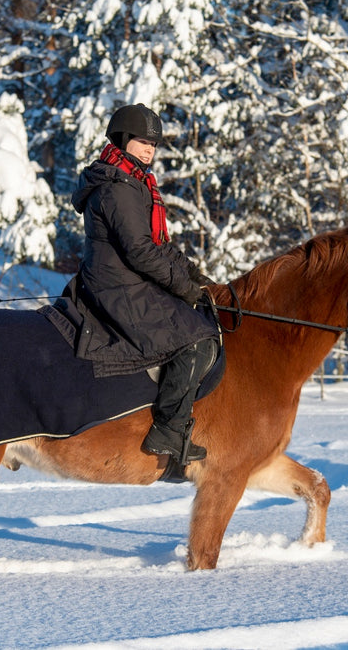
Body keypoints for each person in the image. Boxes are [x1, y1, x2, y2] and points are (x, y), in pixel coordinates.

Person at [69, 103, 219, 465]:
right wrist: (184, 289)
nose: (149, 150)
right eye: (141, 141)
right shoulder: (117, 187)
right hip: (118, 288)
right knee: (197, 341)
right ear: (122, 141)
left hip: (128, 281)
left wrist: (196, 278)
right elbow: (139, 251)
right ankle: (168, 429)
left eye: (153, 144)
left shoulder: (133, 182)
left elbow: (159, 246)